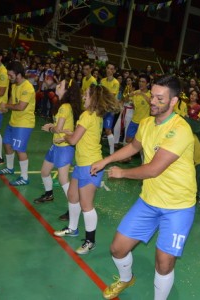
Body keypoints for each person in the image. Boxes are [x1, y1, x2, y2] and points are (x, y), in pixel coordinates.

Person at [91, 75, 196, 300]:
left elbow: (153, 169)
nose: (153, 101)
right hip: (149, 200)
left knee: (164, 263)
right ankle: (126, 278)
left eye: (160, 98)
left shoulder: (180, 129)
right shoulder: (148, 123)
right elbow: (133, 147)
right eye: (152, 96)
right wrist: (106, 160)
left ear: (173, 101)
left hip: (178, 206)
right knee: (117, 249)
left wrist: (122, 173)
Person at [54, 84, 119, 255]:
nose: (83, 96)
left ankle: (90, 241)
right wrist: (70, 134)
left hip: (90, 166)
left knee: (86, 205)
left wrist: (65, 137)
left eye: (87, 94)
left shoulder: (86, 115)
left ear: (93, 98)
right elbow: (80, 136)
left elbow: (74, 140)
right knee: (72, 196)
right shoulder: (94, 115)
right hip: (82, 163)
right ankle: (72, 228)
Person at [33, 79, 81, 217]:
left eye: (60, 85)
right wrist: (52, 127)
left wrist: (49, 128)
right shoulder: (61, 105)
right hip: (56, 145)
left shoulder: (65, 106)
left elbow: (58, 129)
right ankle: (49, 194)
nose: (57, 86)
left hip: (64, 147)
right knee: (44, 171)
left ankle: (74, 207)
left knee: (63, 179)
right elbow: (59, 127)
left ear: (66, 91)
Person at [0, 61, 35, 186]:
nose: (8, 76)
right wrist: (5, 108)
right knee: (7, 143)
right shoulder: (15, 85)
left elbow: (21, 106)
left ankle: (24, 177)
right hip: (14, 121)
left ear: (18, 74)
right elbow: (13, 100)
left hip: (24, 123)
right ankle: (10, 167)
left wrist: (6, 105)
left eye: (10, 74)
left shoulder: (27, 87)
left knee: (19, 149)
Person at [101, 62, 120, 154]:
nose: (109, 70)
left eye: (112, 69)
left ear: (114, 71)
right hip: (101, 108)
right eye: (108, 68)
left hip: (110, 109)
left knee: (108, 130)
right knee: (98, 128)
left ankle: (112, 153)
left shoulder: (116, 83)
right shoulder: (102, 81)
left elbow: (111, 96)